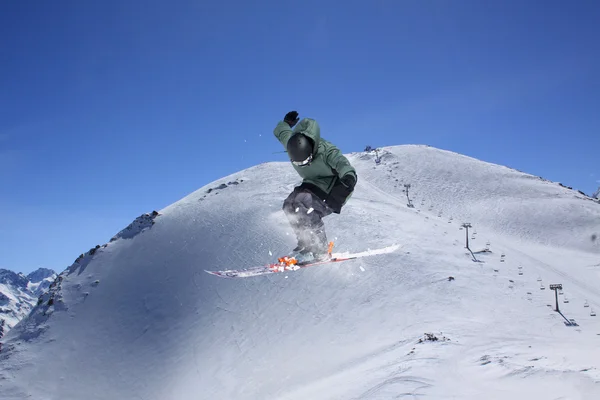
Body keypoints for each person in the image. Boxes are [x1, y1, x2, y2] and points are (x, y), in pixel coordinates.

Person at [273, 111, 357, 262]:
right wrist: (285, 123)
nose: (303, 165)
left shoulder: (327, 151)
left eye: (306, 161)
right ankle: (305, 244)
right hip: (312, 184)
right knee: (289, 205)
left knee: (304, 206)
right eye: (299, 163)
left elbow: (343, 164)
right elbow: (282, 132)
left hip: (336, 188)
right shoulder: (291, 143)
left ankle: (320, 249)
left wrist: (349, 177)